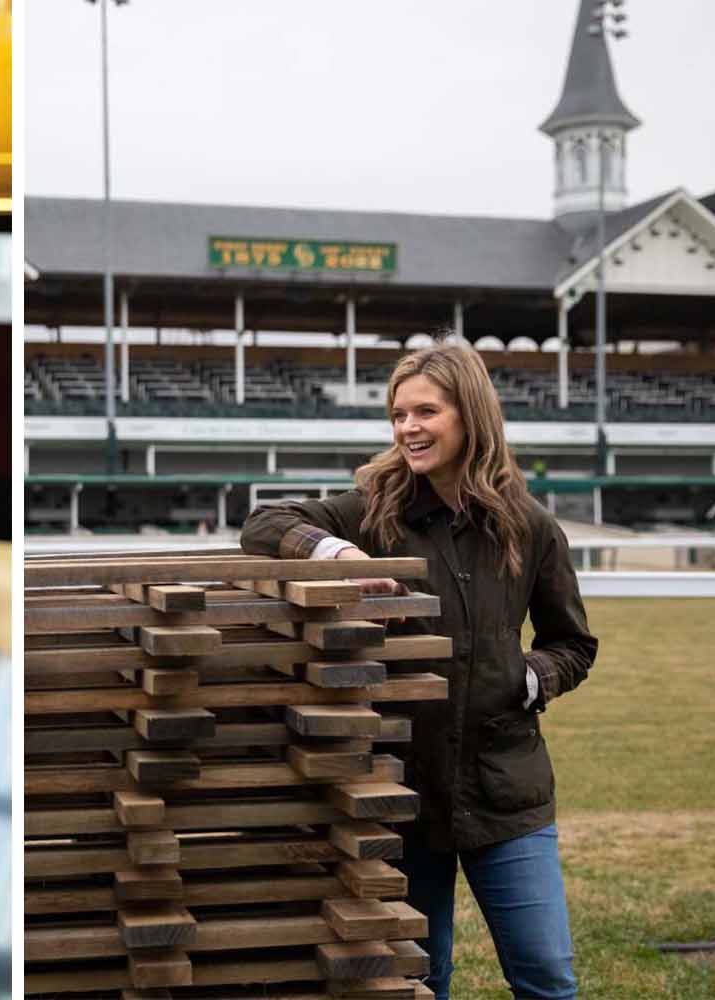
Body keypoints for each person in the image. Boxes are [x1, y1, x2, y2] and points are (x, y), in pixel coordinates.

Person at [240, 343, 596, 1000]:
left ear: (470, 416)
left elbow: (573, 643)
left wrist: (530, 676)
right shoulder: (373, 509)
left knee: (547, 978)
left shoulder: (533, 527)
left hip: (508, 795)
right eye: (399, 414)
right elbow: (264, 524)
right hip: (403, 795)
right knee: (419, 981)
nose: (408, 428)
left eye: (425, 411)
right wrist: (337, 550)